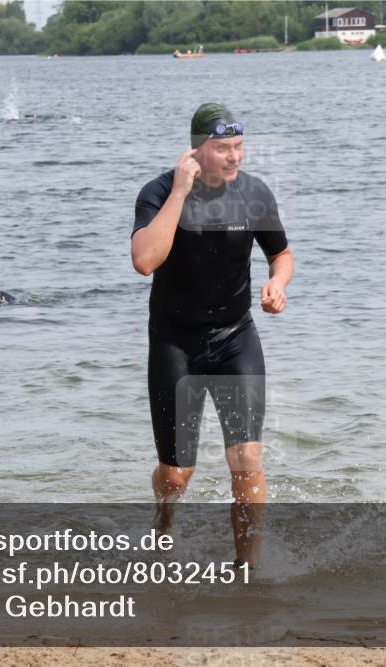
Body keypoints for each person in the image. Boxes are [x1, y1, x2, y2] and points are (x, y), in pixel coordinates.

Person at [131, 103, 294, 567]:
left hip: (235, 337)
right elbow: (144, 261)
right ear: (197, 149)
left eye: (239, 147)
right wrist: (180, 195)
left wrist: (277, 284)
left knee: (246, 458)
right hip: (175, 343)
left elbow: (281, 255)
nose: (234, 157)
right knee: (178, 475)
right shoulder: (159, 191)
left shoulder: (254, 194)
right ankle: (165, 518)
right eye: (222, 148)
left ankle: (247, 568)